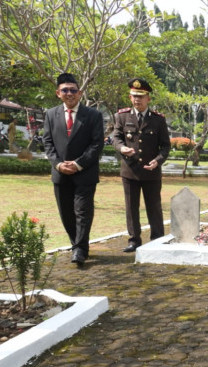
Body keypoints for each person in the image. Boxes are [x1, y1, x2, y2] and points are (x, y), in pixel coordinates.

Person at [43, 73, 104, 266]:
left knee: (83, 211)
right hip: (60, 174)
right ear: (58, 93)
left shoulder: (94, 115)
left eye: (73, 90)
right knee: (66, 213)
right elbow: (47, 142)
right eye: (65, 90)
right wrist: (58, 164)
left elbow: (96, 145)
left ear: (80, 92)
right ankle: (75, 244)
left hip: (85, 173)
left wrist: (78, 164)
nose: (69, 94)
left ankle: (79, 249)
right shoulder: (51, 114)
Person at [113, 78, 170, 252]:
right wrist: (122, 148)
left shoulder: (158, 120)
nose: (137, 99)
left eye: (141, 96)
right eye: (134, 96)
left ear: (148, 98)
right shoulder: (121, 116)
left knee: (154, 207)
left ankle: (157, 239)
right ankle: (134, 240)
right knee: (131, 207)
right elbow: (116, 137)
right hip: (130, 171)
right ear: (130, 98)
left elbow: (166, 146)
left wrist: (158, 161)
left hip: (151, 171)